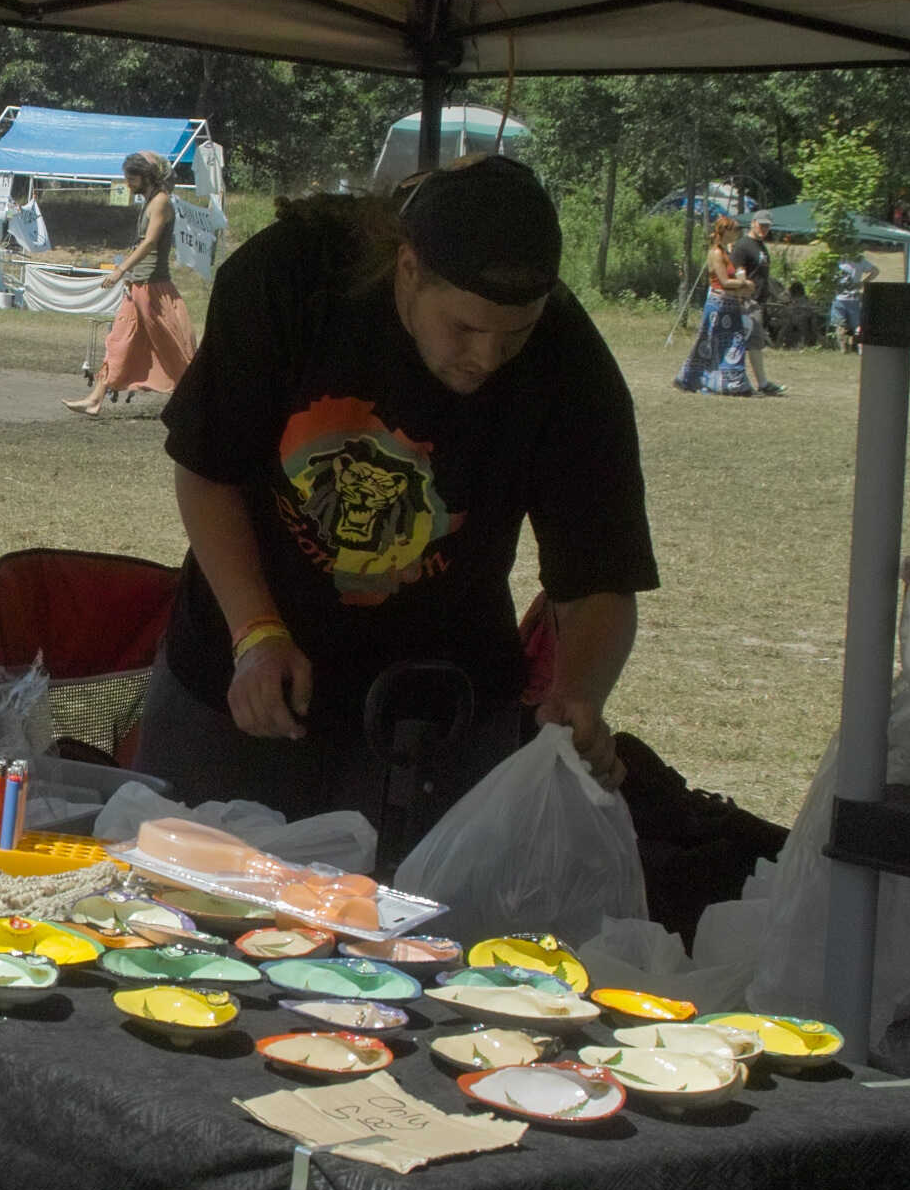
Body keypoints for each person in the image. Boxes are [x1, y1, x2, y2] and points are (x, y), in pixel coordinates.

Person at [140, 155, 658, 828]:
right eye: (466, 328)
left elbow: (598, 576)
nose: (488, 358)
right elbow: (210, 471)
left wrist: (577, 695)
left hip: (438, 714)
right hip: (241, 681)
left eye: (516, 334)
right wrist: (257, 633)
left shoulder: (567, 358)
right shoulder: (292, 278)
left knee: (416, 896)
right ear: (409, 270)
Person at [66, 151, 196, 415]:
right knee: (118, 342)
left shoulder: (161, 202)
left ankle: (201, 399)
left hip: (155, 288)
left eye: (132, 178)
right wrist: (128, 275)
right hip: (137, 286)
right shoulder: (149, 201)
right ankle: (95, 400)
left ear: (147, 176)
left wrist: (120, 270)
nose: (127, 183)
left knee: (176, 347)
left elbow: (149, 243)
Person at [672, 215, 759, 395]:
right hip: (719, 306)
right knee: (710, 343)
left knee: (731, 343)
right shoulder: (716, 253)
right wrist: (746, 284)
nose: (738, 232)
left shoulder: (726, 252)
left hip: (731, 305)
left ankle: (730, 383)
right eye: (735, 229)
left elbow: (734, 276)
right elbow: (724, 281)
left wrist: (742, 282)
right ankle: (692, 378)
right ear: (726, 231)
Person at [732, 212, 786, 394]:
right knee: (750, 341)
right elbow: (739, 272)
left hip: (758, 301)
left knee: (755, 342)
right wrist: (741, 295)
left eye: (767, 226)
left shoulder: (760, 246)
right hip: (747, 301)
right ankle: (756, 383)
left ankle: (761, 383)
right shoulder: (743, 245)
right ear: (753, 223)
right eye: (761, 225)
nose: (764, 229)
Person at [830, 252, 876, 351]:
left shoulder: (841, 260)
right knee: (847, 325)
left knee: (846, 325)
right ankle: (848, 348)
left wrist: (862, 283)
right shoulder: (837, 259)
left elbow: (875, 271)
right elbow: (875, 271)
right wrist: (862, 283)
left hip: (848, 298)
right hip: (844, 298)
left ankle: (848, 348)